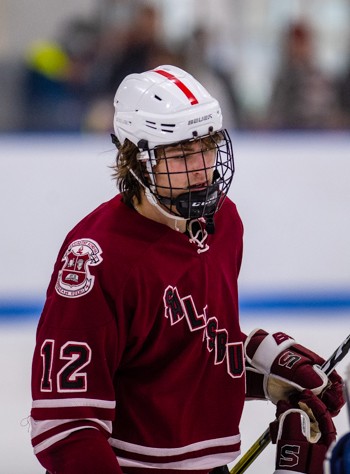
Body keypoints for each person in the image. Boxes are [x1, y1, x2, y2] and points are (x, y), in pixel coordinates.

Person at [30, 65, 344, 473]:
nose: (201, 167)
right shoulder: (97, 258)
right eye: (180, 154)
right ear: (136, 159)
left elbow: (174, 355)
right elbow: (65, 427)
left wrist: (264, 372)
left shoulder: (224, 223)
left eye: (209, 146)